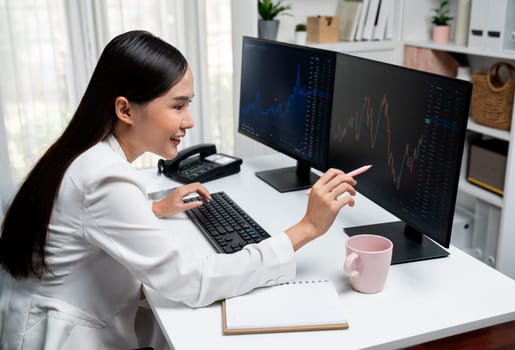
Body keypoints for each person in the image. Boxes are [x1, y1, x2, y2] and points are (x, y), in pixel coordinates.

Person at [0, 30, 357, 349]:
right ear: (125, 109)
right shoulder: (104, 178)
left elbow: (80, 221)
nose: (189, 120)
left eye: (189, 104)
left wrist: (151, 210)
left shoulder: (85, 152)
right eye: (178, 105)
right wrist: (306, 228)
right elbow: (192, 281)